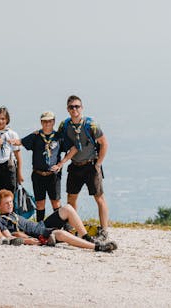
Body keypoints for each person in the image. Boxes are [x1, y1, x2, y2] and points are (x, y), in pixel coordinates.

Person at [0, 189, 117, 252]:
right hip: (39, 234)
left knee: (67, 208)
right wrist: (28, 241)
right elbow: (9, 237)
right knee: (61, 234)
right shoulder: (1, 220)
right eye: (6, 203)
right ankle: (96, 247)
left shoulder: (13, 213)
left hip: (41, 225)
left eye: (10, 202)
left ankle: (86, 237)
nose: (10, 205)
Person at [58, 95, 111, 240]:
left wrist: (98, 163)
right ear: (67, 109)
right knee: (71, 197)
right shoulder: (65, 125)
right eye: (71, 107)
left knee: (99, 198)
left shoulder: (91, 125)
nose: (74, 109)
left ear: (82, 108)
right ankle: (75, 226)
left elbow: (104, 143)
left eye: (77, 106)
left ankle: (104, 230)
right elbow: (59, 141)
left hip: (91, 165)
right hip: (75, 165)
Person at [20, 111, 74, 221]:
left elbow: (74, 148)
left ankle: (59, 226)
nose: (47, 123)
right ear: (41, 122)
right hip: (38, 174)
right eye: (44, 121)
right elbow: (20, 142)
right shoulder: (36, 136)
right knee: (40, 203)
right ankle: (40, 228)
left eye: (49, 121)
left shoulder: (59, 137)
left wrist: (61, 164)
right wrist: (5, 139)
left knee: (56, 202)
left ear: (54, 122)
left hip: (53, 175)